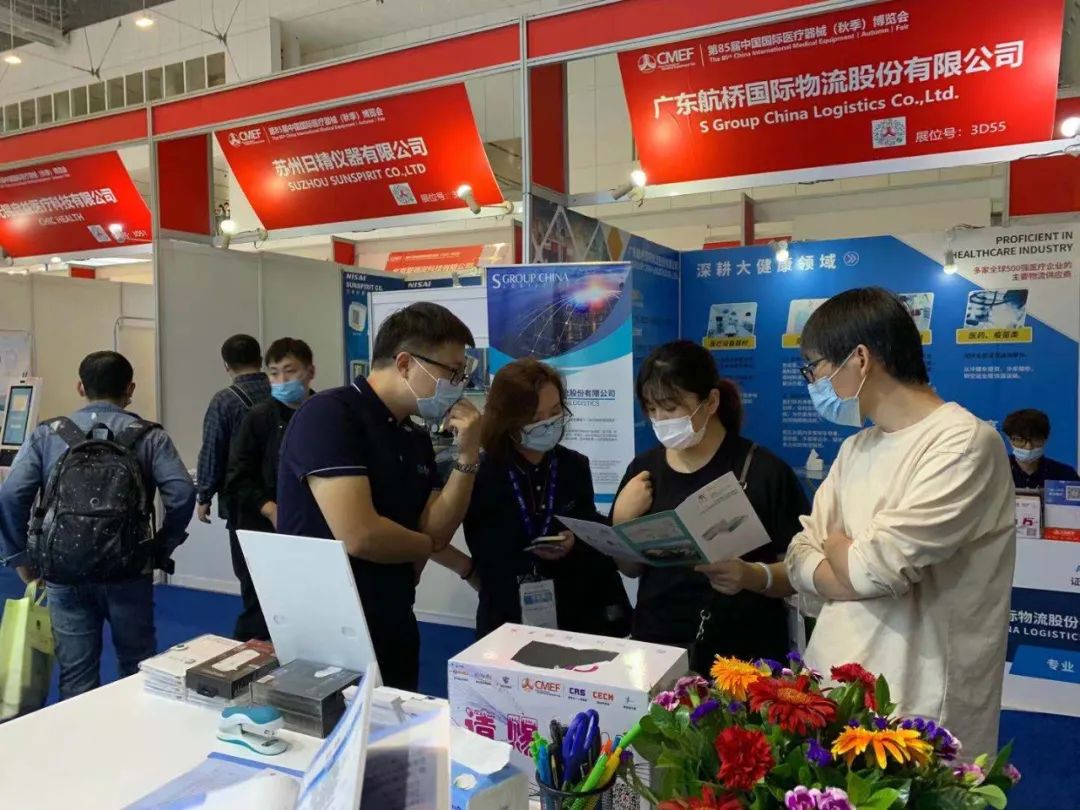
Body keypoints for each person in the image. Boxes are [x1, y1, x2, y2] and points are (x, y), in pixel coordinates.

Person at [785, 287, 1015, 759]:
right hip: (832, 685)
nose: (813, 382)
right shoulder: (856, 448)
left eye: (815, 367)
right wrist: (844, 556)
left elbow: (872, 570)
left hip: (918, 704)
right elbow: (797, 556)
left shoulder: (962, 442)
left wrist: (838, 550)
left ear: (860, 359)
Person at [277, 303, 481, 690]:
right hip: (329, 627)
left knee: (395, 721)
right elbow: (360, 535)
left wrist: (468, 456)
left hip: (395, 614)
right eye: (452, 372)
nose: (457, 385)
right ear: (405, 363)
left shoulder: (414, 436)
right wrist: (426, 545)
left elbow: (437, 528)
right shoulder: (331, 415)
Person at [0, 351, 195, 699]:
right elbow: (181, 493)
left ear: (80, 387)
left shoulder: (47, 435)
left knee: (76, 675)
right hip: (129, 569)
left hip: (64, 569)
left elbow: (12, 494)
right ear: (130, 389)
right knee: (137, 667)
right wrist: (160, 546)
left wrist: (19, 556)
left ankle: (80, 732)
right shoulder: (150, 436)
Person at [612, 341, 809, 670]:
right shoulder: (643, 471)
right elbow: (629, 568)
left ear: (711, 401)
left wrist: (752, 576)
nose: (660, 419)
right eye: (651, 409)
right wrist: (621, 519)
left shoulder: (763, 471)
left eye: (671, 408)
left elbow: (800, 571)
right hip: (658, 647)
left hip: (743, 655)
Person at [436, 358, 631, 638]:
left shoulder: (574, 465)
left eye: (555, 412)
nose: (548, 424)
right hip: (504, 616)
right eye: (535, 418)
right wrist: (468, 571)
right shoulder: (479, 472)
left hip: (576, 613)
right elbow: (433, 536)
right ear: (508, 419)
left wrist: (575, 542)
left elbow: (588, 528)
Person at [224, 338, 316, 641]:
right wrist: (270, 509)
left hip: (310, 529)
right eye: (274, 373)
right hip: (260, 527)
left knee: (308, 609)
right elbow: (237, 478)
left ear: (310, 372)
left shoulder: (325, 414)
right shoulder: (258, 417)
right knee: (261, 610)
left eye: (290, 371)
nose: (282, 380)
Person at [195, 335, 269, 526]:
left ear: (226, 365)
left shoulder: (225, 400)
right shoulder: (282, 393)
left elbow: (213, 450)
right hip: (284, 495)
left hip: (243, 500)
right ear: (260, 360)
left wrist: (204, 496)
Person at [1002, 408, 1079, 489]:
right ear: (1009, 439)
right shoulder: (997, 471)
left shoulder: (1066, 475)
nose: (1028, 447)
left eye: (1035, 439)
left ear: (1046, 438)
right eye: (1020, 440)